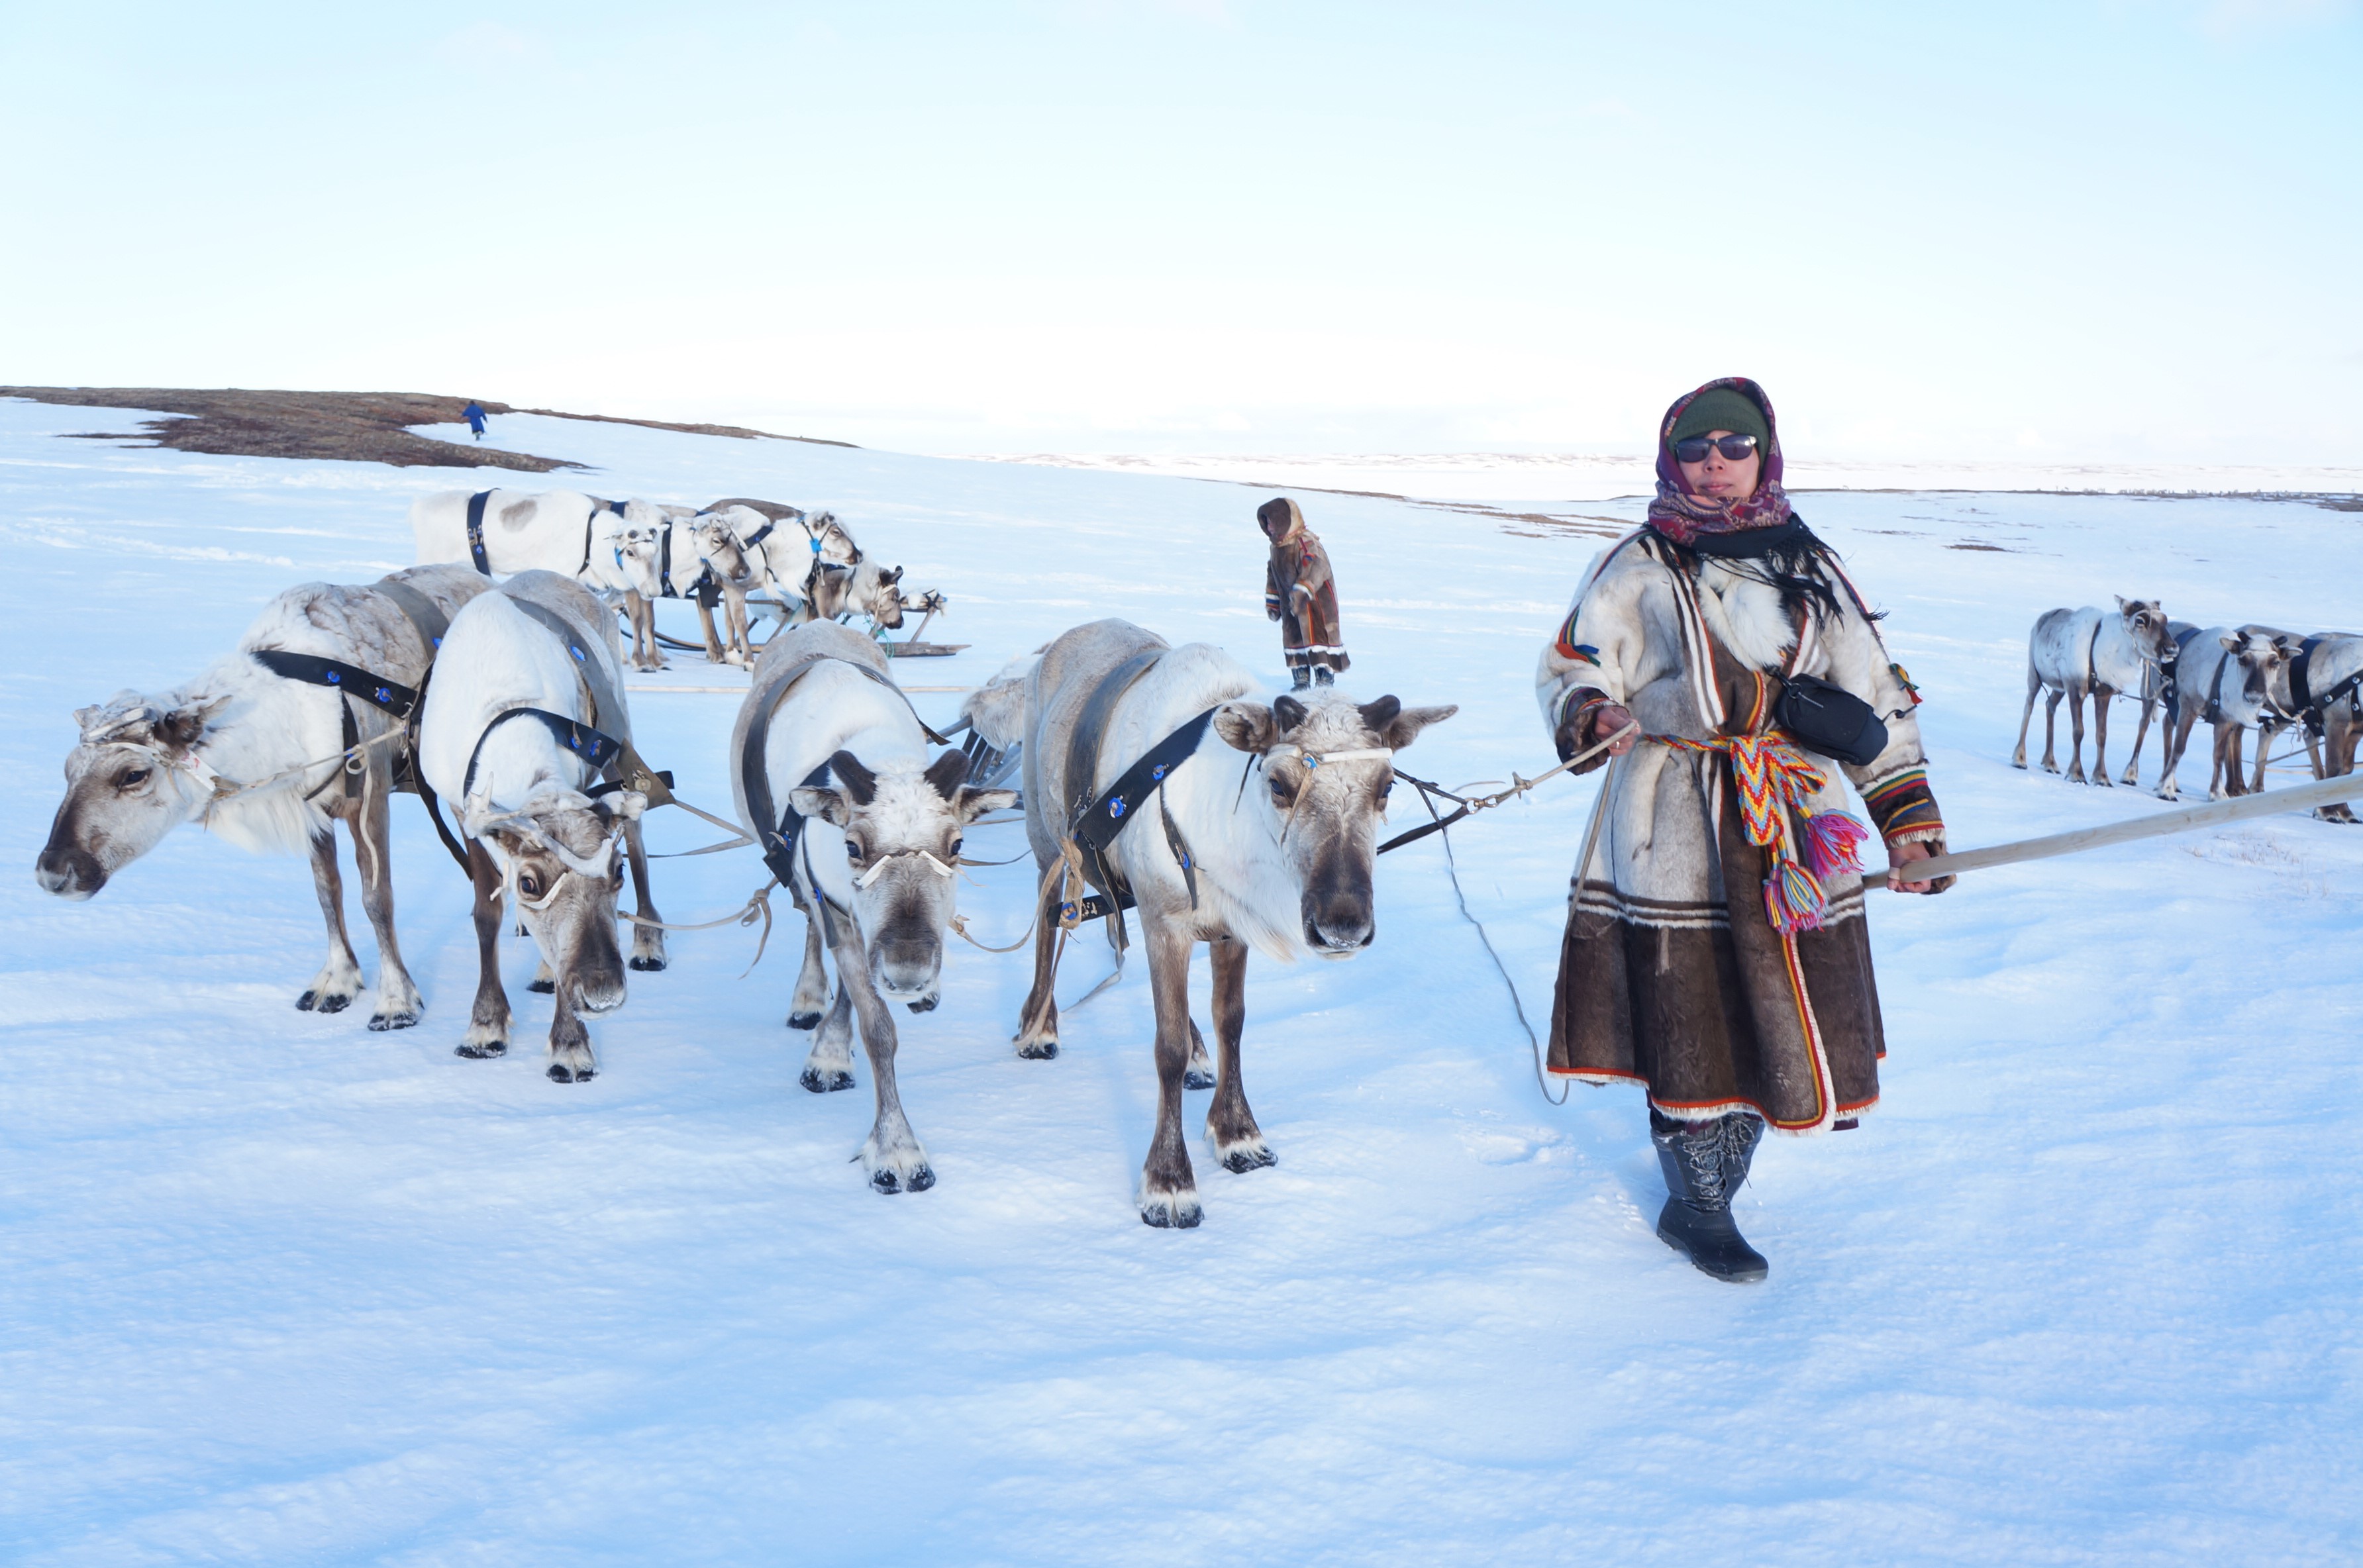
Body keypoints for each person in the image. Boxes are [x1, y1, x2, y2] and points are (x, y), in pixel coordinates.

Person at [1533, 377, 1948, 1283]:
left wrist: (1908, 826)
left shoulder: (1811, 567)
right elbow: (1572, 667)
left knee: (1781, 1005)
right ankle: (1698, 1205)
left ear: (1765, 455)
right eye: (1697, 450)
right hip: (1673, 818)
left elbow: (1877, 695)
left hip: (1799, 821)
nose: (1716, 466)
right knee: (1692, 1005)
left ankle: (1728, 1169)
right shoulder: (1636, 563)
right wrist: (1593, 715)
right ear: (1671, 459)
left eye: (1736, 447)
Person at [1259, 497, 1348, 689]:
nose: (1270, 527)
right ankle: (1301, 680)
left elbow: (1318, 565)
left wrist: (1303, 589)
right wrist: (1273, 602)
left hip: (1316, 605)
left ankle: (1324, 680)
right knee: (1294, 639)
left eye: (1273, 522)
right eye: (1266, 523)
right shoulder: (1277, 548)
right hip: (1291, 607)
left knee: (1319, 638)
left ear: (1285, 521)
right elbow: (1273, 575)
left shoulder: (1306, 542)